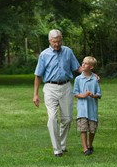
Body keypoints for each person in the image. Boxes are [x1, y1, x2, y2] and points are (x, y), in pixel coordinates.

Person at [33, 29, 81, 157]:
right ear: (50, 41)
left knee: (67, 119)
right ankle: (57, 150)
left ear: (61, 40)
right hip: (50, 88)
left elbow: (77, 68)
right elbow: (38, 75)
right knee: (53, 118)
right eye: (54, 42)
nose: (57, 44)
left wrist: (91, 74)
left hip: (66, 86)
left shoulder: (68, 52)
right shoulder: (44, 55)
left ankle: (62, 144)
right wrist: (35, 95)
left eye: (59, 41)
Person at [73, 56, 101, 155]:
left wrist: (93, 95)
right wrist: (83, 95)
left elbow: (99, 93)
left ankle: (90, 145)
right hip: (82, 110)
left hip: (92, 110)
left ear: (91, 67)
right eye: (83, 63)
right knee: (83, 129)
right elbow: (75, 93)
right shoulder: (78, 79)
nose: (83, 64)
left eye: (86, 63)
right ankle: (85, 149)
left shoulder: (95, 79)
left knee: (92, 130)